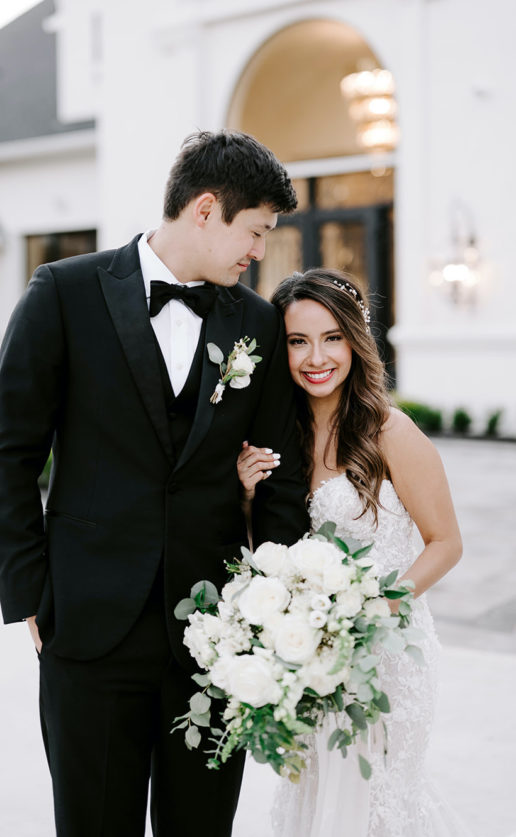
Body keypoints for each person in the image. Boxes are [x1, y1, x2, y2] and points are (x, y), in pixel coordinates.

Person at [0, 130, 310, 837]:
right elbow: (8, 453)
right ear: (204, 208)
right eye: (254, 231)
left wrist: (270, 610)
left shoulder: (256, 322)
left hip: (215, 640)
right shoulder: (64, 293)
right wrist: (31, 590)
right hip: (87, 632)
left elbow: (283, 477)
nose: (259, 251)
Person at [237, 268, 472, 836]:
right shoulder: (279, 435)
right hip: (312, 655)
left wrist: (377, 609)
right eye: (298, 341)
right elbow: (272, 554)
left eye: (331, 337)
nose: (316, 357)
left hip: (389, 653)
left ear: (354, 341)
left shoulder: (389, 431)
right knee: (316, 799)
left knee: (377, 803)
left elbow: (447, 542)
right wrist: (245, 496)